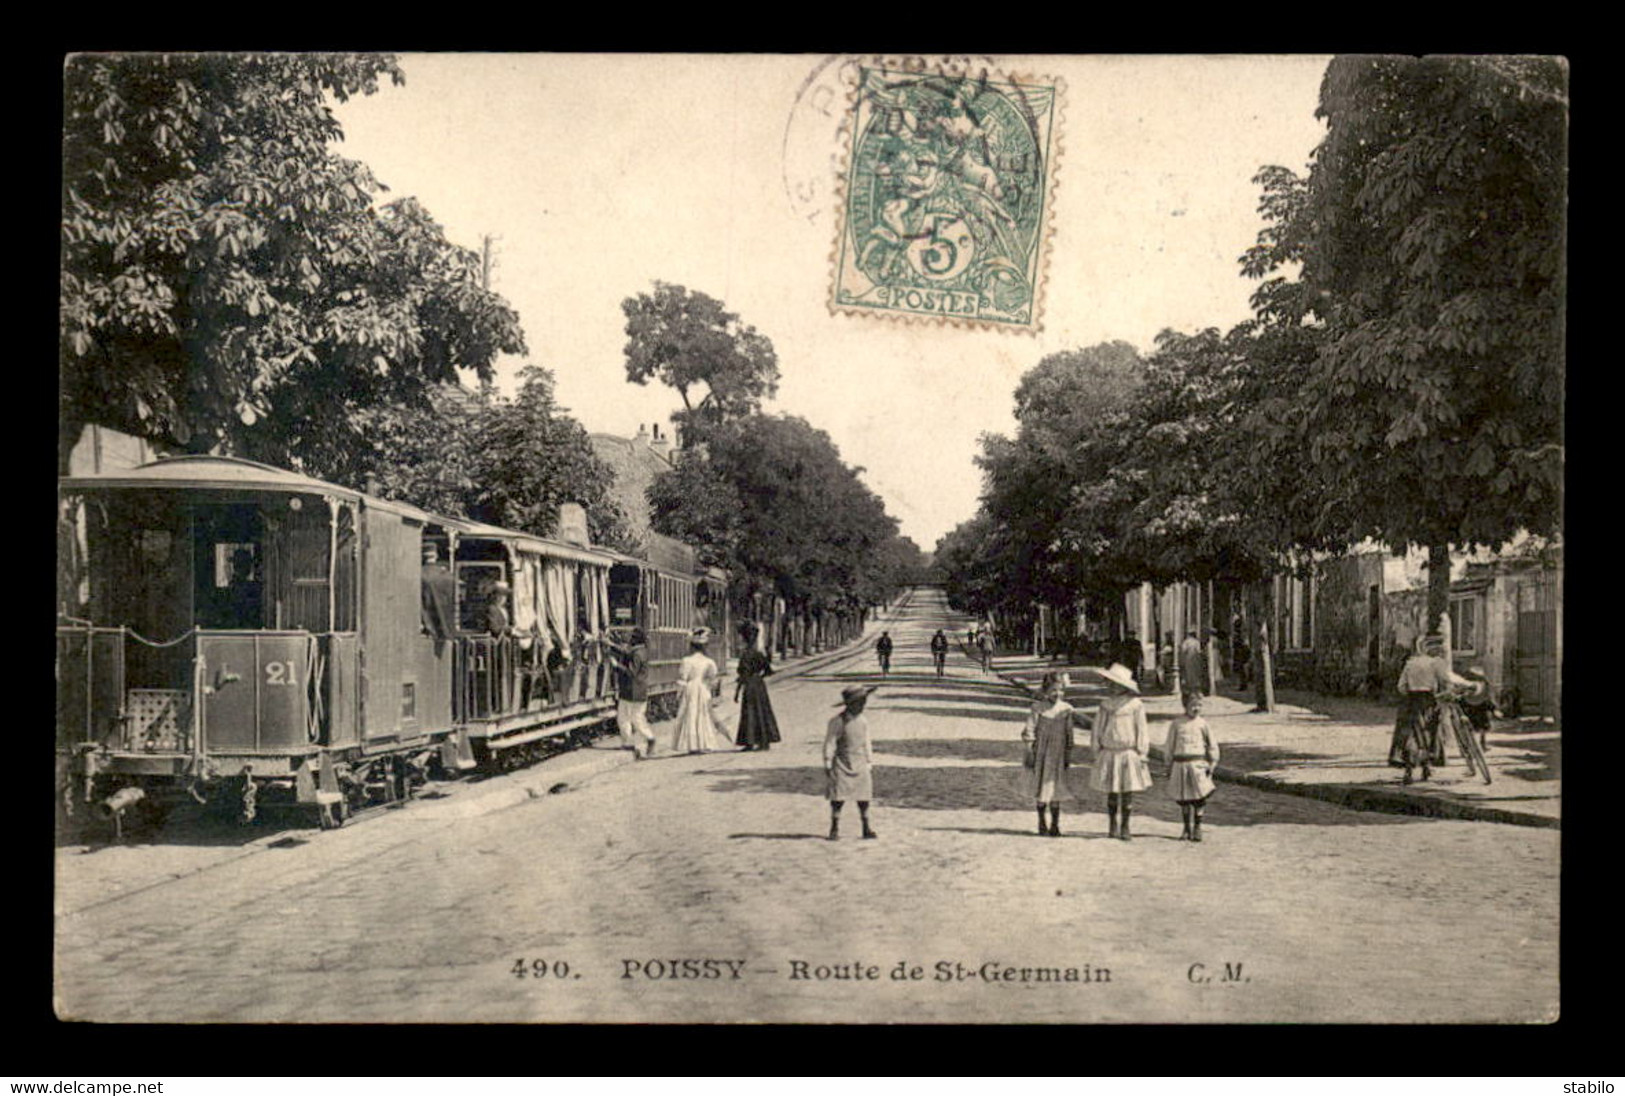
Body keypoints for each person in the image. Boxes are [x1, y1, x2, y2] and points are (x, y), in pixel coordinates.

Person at [1090, 663, 1152, 840]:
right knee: (1112, 791)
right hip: (1110, 752)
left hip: (1128, 753)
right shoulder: (1105, 705)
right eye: (1110, 683)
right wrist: (1096, 749)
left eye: (1116, 683)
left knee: (1127, 791)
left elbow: (1141, 729)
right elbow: (1097, 729)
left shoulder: (1135, 705)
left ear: (1124, 686)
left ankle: (1125, 825)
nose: (1113, 687)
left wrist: (1142, 752)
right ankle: (1112, 823)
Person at [1388, 635, 1451, 785]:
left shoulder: (1411, 663)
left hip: (1411, 700)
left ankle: (1408, 770)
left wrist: (1410, 692)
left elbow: (1401, 686)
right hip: (1428, 699)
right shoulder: (1436, 663)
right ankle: (1426, 767)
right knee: (1430, 732)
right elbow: (1445, 680)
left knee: (1411, 733)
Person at [1022, 672, 1077, 836]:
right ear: (1045, 691)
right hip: (1042, 753)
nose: (1057, 694)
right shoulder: (1038, 708)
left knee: (1056, 787)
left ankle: (1055, 824)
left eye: (1061, 691)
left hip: (1058, 754)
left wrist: (1068, 752)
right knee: (1041, 787)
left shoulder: (1066, 710)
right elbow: (1029, 730)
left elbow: (1069, 734)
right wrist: (1029, 751)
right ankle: (1041, 822)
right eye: (1053, 690)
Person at [825, 684, 880, 840]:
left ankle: (866, 826)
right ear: (850, 704)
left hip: (860, 761)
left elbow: (866, 741)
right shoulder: (837, 721)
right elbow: (830, 742)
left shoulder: (863, 721)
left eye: (863, 703)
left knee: (864, 796)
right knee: (838, 797)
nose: (862, 706)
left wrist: (869, 760)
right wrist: (828, 762)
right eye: (859, 703)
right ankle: (834, 827)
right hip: (842, 762)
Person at [1164, 693, 1219, 842]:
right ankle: (1186, 828)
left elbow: (1212, 744)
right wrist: (1168, 764)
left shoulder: (1203, 724)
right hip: (1181, 764)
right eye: (1192, 705)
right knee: (1184, 798)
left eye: (1199, 705)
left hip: (1198, 765)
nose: (1196, 708)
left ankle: (1198, 826)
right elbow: (1169, 745)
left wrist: (1212, 762)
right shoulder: (1177, 724)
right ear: (1185, 706)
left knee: (1199, 797)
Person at [671, 627, 730, 755]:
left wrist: (678, 695)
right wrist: (708, 686)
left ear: (692, 646)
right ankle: (704, 742)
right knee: (703, 714)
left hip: (691, 688)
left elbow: (682, 679)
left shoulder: (686, 661)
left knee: (691, 715)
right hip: (703, 688)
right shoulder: (709, 662)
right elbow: (713, 678)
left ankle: (692, 745)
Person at [606, 627, 656, 759]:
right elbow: (626, 652)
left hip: (633, 692)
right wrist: (611, 645)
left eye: (631, 637)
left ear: (635, 640)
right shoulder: (640, 651)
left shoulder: (638, 654)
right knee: (625, 718)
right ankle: (628, 743)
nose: (628, 639)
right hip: (633, 692)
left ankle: (649, 739)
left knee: (634, 719)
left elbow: (631, 672)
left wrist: (616, 665)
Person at [733, 622, 781, 752]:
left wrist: (737, 692)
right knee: (761, 711)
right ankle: (764, 741)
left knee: (749, 713)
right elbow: (769, 671)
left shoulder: (745, 655)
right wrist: (758, 677)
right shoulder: (759, 654)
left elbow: (742, 675)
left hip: (748, 686)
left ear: (745, 638)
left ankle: (750, 741)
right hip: (759, 685)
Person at [420, 542, 456, 641]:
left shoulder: (419, 575)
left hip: (428, 631)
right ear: (436, 556)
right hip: (447, 630)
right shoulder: (448, 576)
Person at [1458, 665, 1497, 756]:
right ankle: (1468, 746)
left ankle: (1482, 743)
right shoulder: (1466, 685)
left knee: (1484, 726)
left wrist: (1493, 708)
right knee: (1468, 726)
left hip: (1481, 706)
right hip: (1469, 707)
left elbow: (1488, 698)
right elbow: (1461, 697)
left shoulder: (1485, 685)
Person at [1178, 628, 1205, 706]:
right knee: (1196, 675)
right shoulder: (1196, 642)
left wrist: (1182, 661)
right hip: (1195, 661)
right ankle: (1196, 692)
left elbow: (1183, 652)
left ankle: (1191, 692)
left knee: (1188, 675)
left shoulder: (1186, 642)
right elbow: (1199, 652)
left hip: (1188, 661)